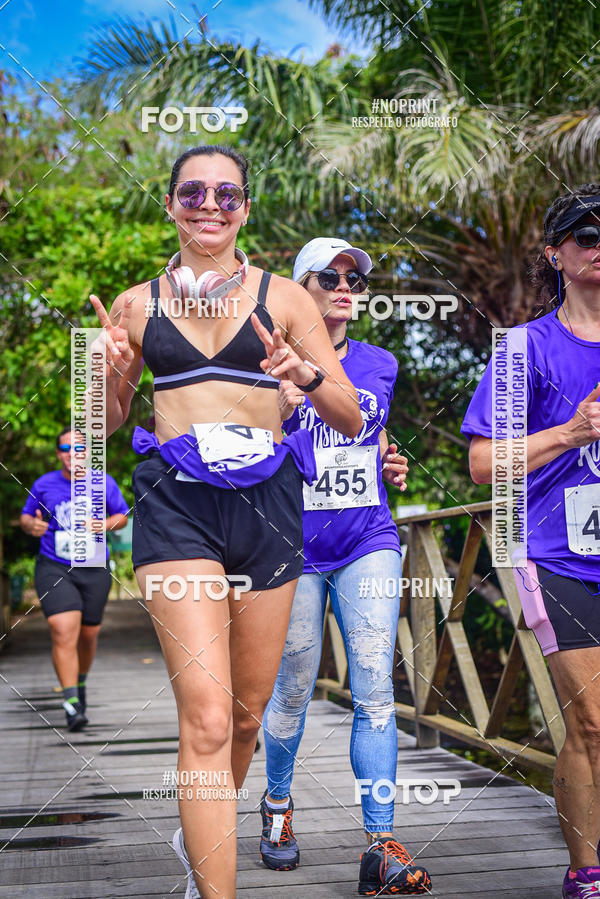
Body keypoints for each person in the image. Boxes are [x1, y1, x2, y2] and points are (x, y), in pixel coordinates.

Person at [89, 145, 362, 899]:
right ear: (172, 202)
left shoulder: (288, 300)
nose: (210, 204)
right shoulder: (136, 303)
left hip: (268, 505)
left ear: (246, 205)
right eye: (193, 191)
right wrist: (108, 368)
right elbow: (105, 421)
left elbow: (347, 414)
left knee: (245, 717)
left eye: (227, 193)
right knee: (206, 718)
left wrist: (303, 373)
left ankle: (201, 827)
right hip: (176, 504)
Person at [259, 238, 432, 895]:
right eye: (327, 276)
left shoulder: (380, 362)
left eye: (353, 278)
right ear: (300, 288)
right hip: (293, 546)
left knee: (374, 683)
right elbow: (254, 441)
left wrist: (391, 461)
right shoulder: (268, 355)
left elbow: (372, 432)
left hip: (369, 538)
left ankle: (380, 843)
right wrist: (282, 385)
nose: (344, 286)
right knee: (295, 685)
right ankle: (277, 804)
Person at [461, 184, 600, 899]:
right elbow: (484, 463)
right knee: (593, 719)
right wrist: (571, 433)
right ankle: (585, 871)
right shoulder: (524, 349)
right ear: (555, 253)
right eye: (586, 236)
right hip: (556, 551)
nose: (599, 246)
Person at [20, 428, 129, 731]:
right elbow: (27, 517)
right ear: (58, 453)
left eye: (79, 448)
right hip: (54, 566)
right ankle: (71, 703)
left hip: (94, 567)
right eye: (65, 448)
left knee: (88, 634)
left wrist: (104, 523)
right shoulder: (43, 485)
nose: (72, 453)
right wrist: (32, 526)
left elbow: (122, 515)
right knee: (62, 628)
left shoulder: (103, 483)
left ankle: (79, 684)